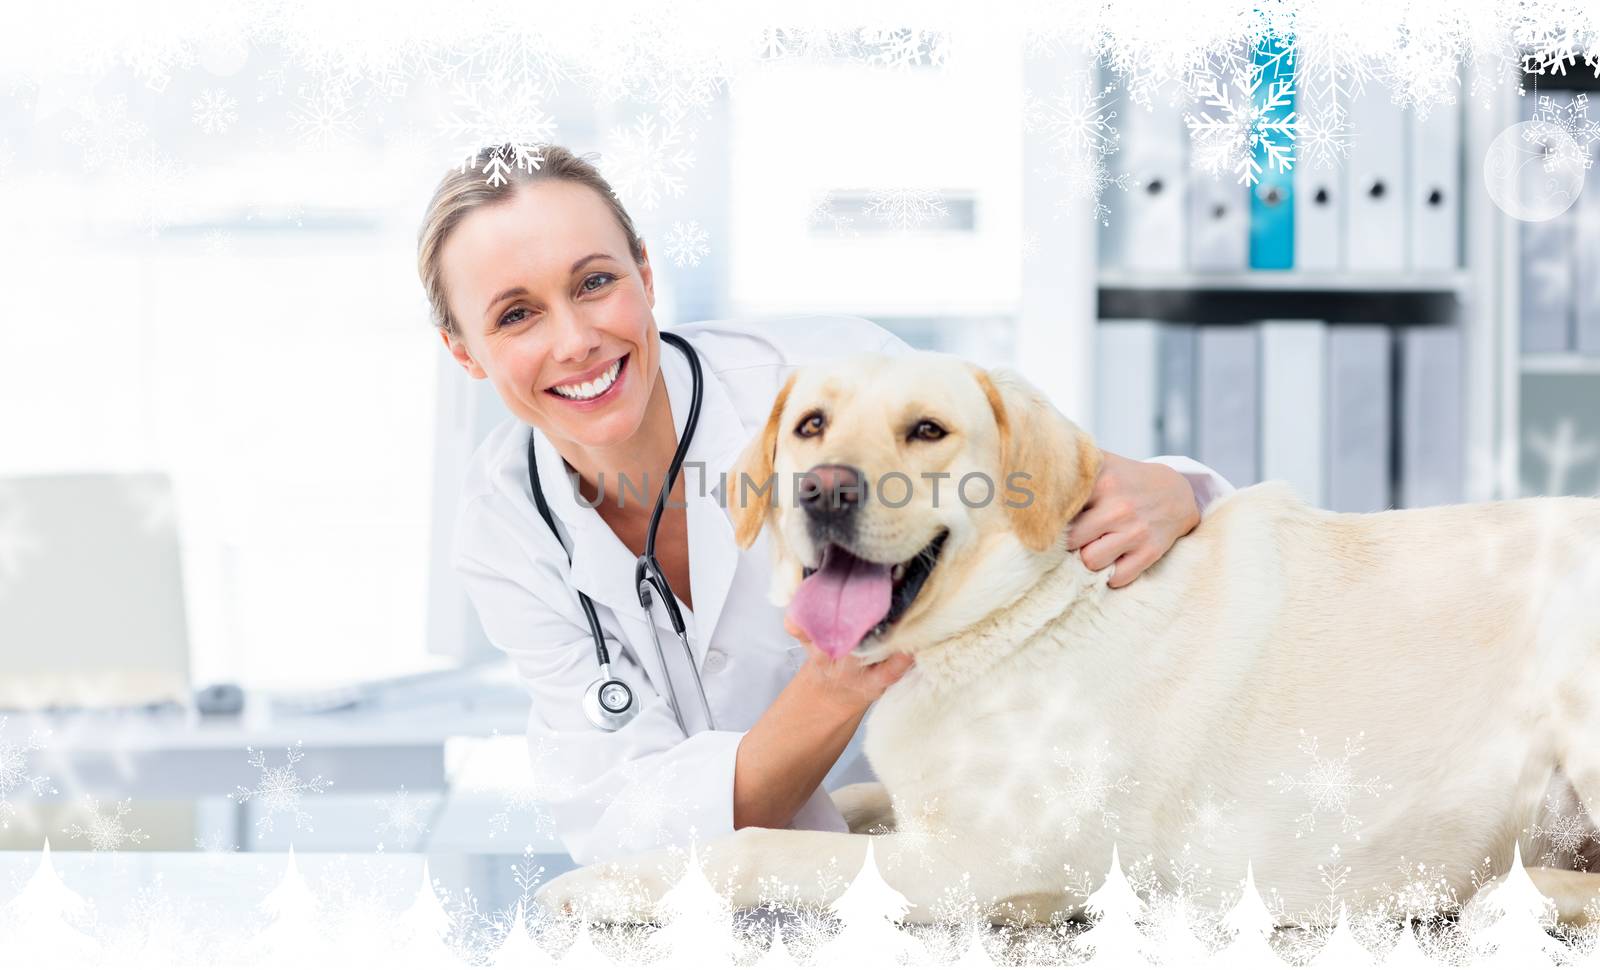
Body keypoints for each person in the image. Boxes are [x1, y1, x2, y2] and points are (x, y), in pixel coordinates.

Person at [416, 144, 1235, 866]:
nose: (575, 341)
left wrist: (1178, 490)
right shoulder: (505, 529)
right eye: (516, 314)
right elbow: (631, 827)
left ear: (645, 274)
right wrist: (838, 684)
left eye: (595, 283)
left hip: (967, 844)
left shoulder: (831, 378)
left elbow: (1035, 496)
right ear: (465, 351)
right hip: (751, 907)